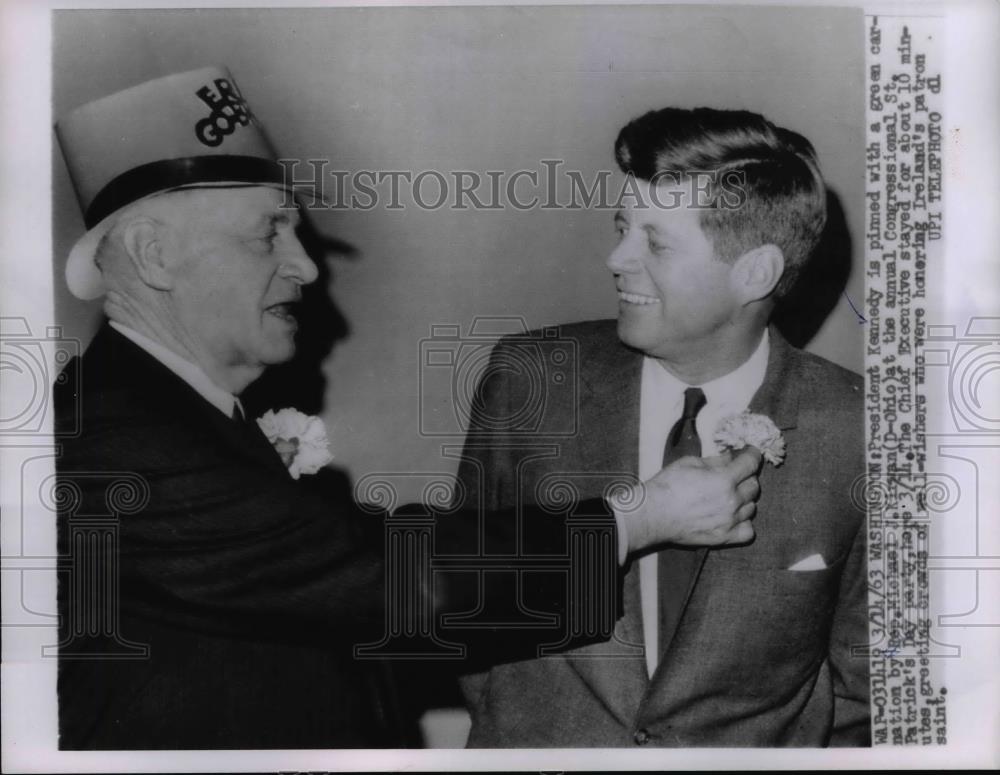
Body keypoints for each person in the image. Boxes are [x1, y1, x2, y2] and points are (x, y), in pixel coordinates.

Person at [52, 70, 763, 749]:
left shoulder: (170, 412)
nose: (305, 266)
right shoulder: (113, 435)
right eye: (269, 232)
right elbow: (390, 580)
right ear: (152, 255)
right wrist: (637, 516)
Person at [454, 107, 870, 747]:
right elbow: (462, 608)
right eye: (623, 227)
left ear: (754, 272)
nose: (616, 258)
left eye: (656, 240)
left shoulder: (858, 429)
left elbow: (862, 685)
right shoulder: (530, 380)